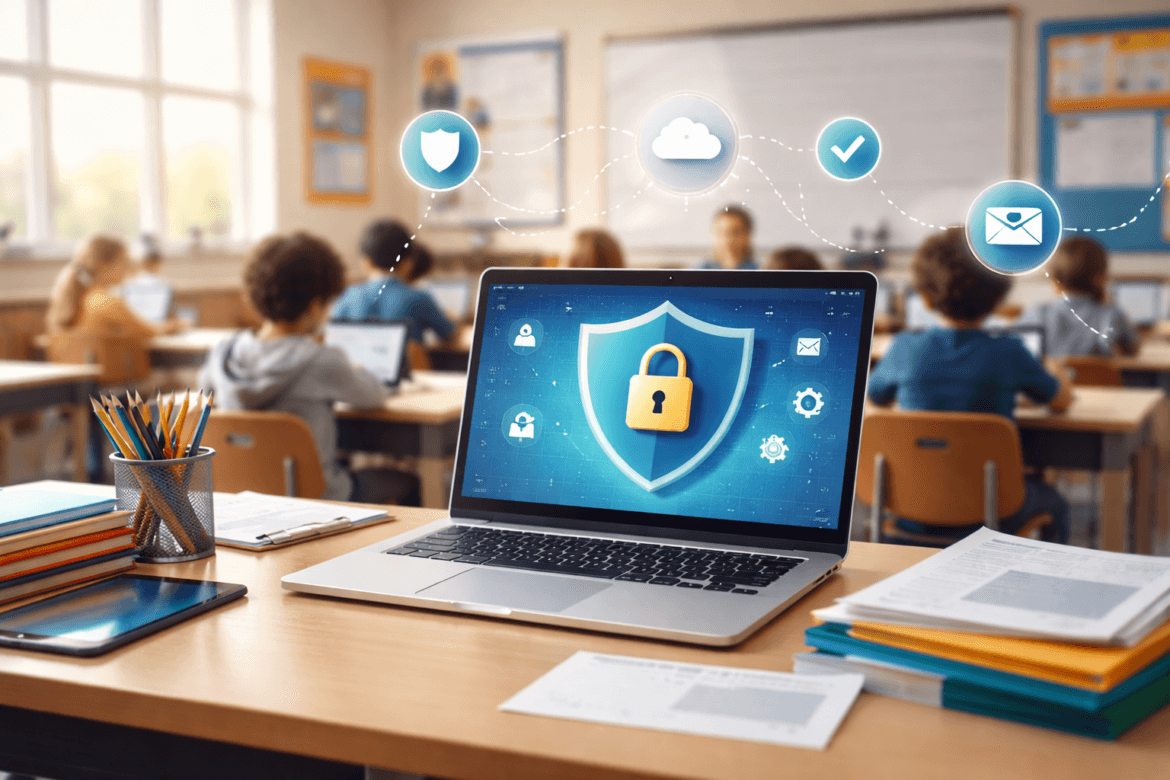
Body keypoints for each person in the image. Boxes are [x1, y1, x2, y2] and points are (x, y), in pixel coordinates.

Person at [867, 226, 1073, 544]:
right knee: (1056, 503)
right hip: (992, 512)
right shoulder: (1010, 350)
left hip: (910, 512)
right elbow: (1059, 402)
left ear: (924, 296)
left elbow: (876, 398)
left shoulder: (905, 347)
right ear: (999, 296)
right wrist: (1057, 373)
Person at [199, 232, 420, 505]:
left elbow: (202, 402)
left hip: (242, 499)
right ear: (315, 307)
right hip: (316, 499)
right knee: (407, 482)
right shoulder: (320, 359)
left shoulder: (223, 353)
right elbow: (374, 394)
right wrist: (354, 367)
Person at [331, 219, 457, 344]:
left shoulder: (346, 296)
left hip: (355, 364)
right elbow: (451, 335)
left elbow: (333, 339)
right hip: (408, 365)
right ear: (408, 263)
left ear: (365, 262)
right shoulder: (419, 298)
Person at [1016, 236, 1139, 357]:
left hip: (1048, 377)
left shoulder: (1038, 312)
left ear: (1055, 280)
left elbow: (1017, 350)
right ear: (1102, 278)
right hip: (1095, 377)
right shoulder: (1112, 313)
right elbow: (1132, 350)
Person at [46, 234, 182, 336]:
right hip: (113, 373)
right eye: (123, 261)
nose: (128, 267)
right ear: (104, 266)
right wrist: (174, 326)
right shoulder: (107, 302)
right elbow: (151, 331)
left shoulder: (73, 299)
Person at [698, 205, 757, 270]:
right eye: (721, 232)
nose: (728, 239)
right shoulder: (700, 269)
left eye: (735, 232)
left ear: (748, 234)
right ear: (713, 234)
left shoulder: (760, 270)